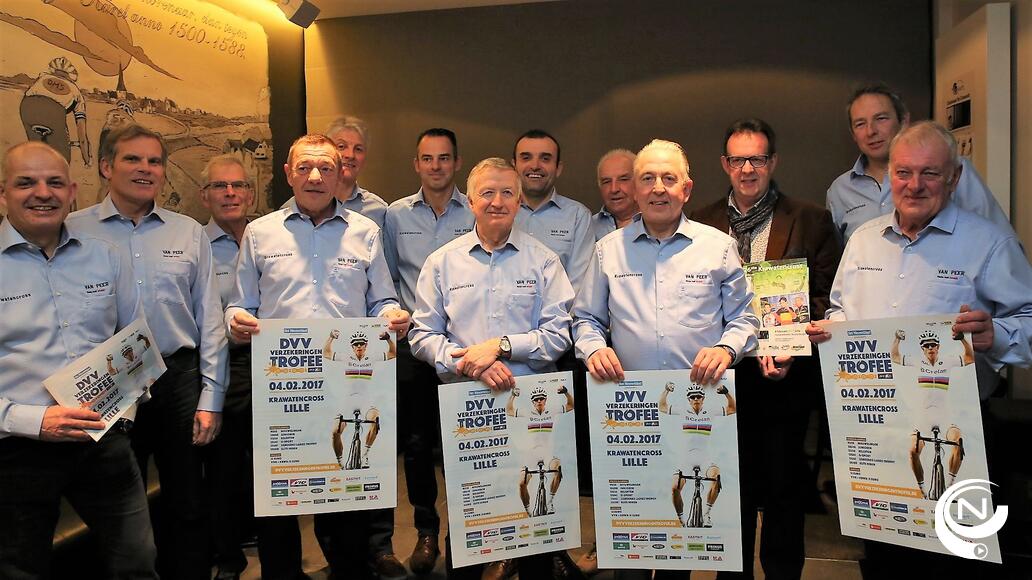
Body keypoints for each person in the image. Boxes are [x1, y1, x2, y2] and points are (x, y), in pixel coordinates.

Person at [808, 121, 1032, 578]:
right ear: (890, 174)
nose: (915, 185)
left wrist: (995, 335)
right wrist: (831, 331)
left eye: (930, 173)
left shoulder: (989, 243)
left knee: (954, 554)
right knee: (881, 556)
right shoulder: (864, 241)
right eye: (904, 172)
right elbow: (841, 309)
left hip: (958, 432)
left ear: (954, 178)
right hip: (875, 428)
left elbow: (1027, 320)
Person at [226, 133, 410, 580]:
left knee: (345, 491)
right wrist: (236, 320)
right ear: (288, 173)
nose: (315, 176)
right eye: (305, 167)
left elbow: (381, 300)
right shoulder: (260, 233)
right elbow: (240, 304)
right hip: (282, 386)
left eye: (326, 168)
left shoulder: (365, 232)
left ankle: (348, 570)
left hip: (348, 383)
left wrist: (392, 315)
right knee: (279, 500)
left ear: (340, 173)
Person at [573, 139, 758, 580]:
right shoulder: (608, 250)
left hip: (696, 412)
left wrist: (726, 348)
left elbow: (746, 319)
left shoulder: (718, 247)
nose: (658, 188)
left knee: (682, 539)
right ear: (635, 190)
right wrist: (594, 348)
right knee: (631, 548)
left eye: (669, 179)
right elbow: (585, 319)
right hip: (629, 415)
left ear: (686, 189)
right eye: (648, 179)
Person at [67, 124, 227, 579]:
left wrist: (211, 398)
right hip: (111, 380)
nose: (145, 169)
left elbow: (210, 320)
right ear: (106, 166)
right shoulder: (74, 231)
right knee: (118, 504)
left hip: (178, 377)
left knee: (187, 498)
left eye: (154, 161)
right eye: (133, 159)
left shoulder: (187, 232)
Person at [409, 157, 576, 580]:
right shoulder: (442, 263)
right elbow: (422, 336)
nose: (497, 201)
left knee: (534, 520)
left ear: (519, 201)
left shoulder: (543, 262)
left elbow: (559, 335)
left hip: (532, 412)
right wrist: (472, 364)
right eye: (487, 193)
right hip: (469, 413)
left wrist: (500, 347)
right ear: (470, 201)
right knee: (471, 520)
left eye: (506, 193)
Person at [691, 118, 841, 579]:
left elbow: (826, 295)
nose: (747, 169)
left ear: (772, 162)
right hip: (723, 380)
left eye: (757, 158)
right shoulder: (701, 223)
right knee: (727, 484)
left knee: (783, 491)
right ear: (725, 164)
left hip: (785, 380)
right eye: (738, 160)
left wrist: (794, 344)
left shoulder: (811, 219)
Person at [0, 141, 155, 579]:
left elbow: (135, 343)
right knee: (20, 569)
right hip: (16, 451)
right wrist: (34, 421)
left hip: (102, 442)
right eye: (26, 183)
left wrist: (123, 413)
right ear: (3, 194)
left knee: (137, 561)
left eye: (54, 182)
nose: (42, 193)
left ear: (71, 192)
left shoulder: (105, 257)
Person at [383, 128, 474, 574]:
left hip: (466, 348)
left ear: (457, 163)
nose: (435, 166)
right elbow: (385, 278)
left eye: (444, 158)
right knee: (417, 445)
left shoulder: (476, 208)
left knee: (466, 443)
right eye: (427, 158)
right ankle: (426, 531)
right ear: (416, 164)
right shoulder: (395, 216)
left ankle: (467, 534)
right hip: (414, 348)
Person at [826, 83, 1011, 242]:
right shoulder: (840, 192)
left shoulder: (950, 170)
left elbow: (1000, 241)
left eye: (881, 118)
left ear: (904, 121)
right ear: (853, 134)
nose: (871, 131)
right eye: (860, 124)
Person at [198, 154, 257, 580]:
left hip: (276, 364)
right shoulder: (196, 244)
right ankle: (228, 557)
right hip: (224, 364)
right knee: (224, 467)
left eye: (238, 185)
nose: (231, 193)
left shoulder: (269, 237)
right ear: (205, 196)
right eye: (220, 186)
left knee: (276, 459)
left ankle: (274, 549)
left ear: (250, 194)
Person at [890, 329, 974, 498]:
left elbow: (970, 358)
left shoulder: (947, 361)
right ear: (922, 349)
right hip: (923, 416)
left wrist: (963, 340)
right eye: (926, 345)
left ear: (938, 347)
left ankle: (950, 486)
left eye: (933, 345)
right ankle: (922, 490)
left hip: (945, 414)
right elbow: (895, 357)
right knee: (913, 451)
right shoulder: (917, 361)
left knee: (958, 442)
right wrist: (897, 339)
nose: (930, 348)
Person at [512, 130, 594, 290]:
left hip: (560, 307)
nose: (535, 166)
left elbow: (579, 286)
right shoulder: (497, 213)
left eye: (545, 158)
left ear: (558, 168)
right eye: (526, 157)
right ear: (514, 165)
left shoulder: (578, 216)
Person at [281, 116, 388, 228]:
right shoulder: (289, 211)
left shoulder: (379, 210)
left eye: (358, 149)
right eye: (341, 146)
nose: (350, 155)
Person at [659, 382, 736, 528]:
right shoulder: (682, 410)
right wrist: (666, 390)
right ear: (688, 399)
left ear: (703, 398)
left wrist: (726, 393)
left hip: (705, 456)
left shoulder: (710, 411)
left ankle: (706, 514)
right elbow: (662, 406)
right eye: (692, 397)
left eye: (699, 396)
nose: (696, 399)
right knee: (675, 487)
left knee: (716, 477)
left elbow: (732, 408)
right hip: (686, 457)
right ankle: (681, 519)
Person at [506, 385, 574, 516]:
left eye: (541, 398)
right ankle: (528, 510)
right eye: (536, 399)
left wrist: (566, 392)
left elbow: (571, 405)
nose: (539, 401)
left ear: (545, 400)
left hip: (548, 452)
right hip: (532, 454)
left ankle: (550, 501)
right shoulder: (527, 412)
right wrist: (513, 395)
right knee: (521, 483)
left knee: (558, 470)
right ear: (532, 402)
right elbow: (509, 410)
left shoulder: (552, 410)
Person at [20, 57, 91, 166]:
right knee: (63, 159)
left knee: (36, 147)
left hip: (27, 107)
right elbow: (82, 136)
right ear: (71, 76)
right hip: (54, 114)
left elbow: (29, 95)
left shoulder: (42, 78)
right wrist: (87, 160)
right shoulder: (76, 91)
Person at [591, 149, 639, 241]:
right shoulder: (588, 228)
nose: (614, 189)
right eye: (607, 182)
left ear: (640, 181)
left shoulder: (656, 225)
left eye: (623, 179)